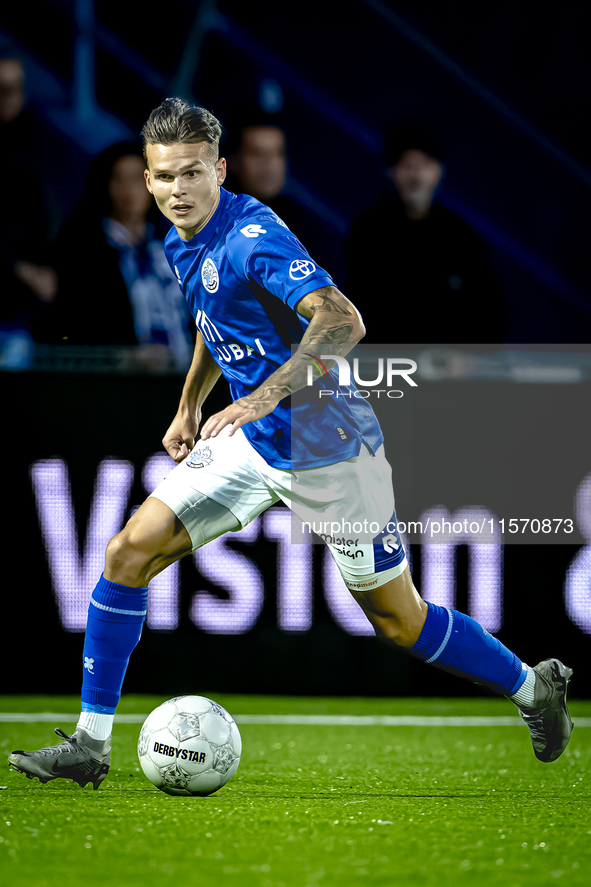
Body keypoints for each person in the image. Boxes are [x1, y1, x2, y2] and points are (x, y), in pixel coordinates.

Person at [8, 99, 572, 789]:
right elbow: (212, 320)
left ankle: (531, 684)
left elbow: (343, 319)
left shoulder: (253, 236)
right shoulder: (184, 237)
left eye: (190, 174)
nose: (176, 191)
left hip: (329, 445)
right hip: (252, 439)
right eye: (162, 178)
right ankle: (91, 746)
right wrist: (190, 402)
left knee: (400, 622)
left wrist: (259, 397)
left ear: (218, 169)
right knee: (126, 552)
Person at [346, 126, 507, 344]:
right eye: (406, 164)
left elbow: (491, 310)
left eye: (423, 165)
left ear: (438, 171)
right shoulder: (366, 233)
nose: (415, 174)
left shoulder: (460, 236)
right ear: (391, 172)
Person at [47, 140, 194, 371]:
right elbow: (74, 326)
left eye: (138, 178)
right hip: (118, 383)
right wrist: (127, 357)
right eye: (118, 179)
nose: (129, 189)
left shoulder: (173, 245)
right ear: (104, 185)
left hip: (182, 377)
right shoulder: (83, 251)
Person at [0, 52, 57, 367]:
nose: (9, 98)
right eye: (1, 89)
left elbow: (43, 220)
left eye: (16, 88)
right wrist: (21, 269)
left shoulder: (34, 145)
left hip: (23, 312)